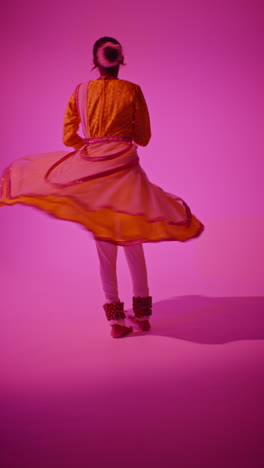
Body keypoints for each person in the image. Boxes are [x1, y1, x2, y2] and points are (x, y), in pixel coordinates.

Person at [0, 37, 204, 338]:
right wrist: (119, 137)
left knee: (104, 245)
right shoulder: (132, 90)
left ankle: (115, 321)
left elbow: (68, 136)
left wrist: (92, 145)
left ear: (94, 63)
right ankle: (142, 317)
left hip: (94, 172)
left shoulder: (80, 91)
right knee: (133, 241)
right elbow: (144, 136)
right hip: (125, 171)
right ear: (121, 61)